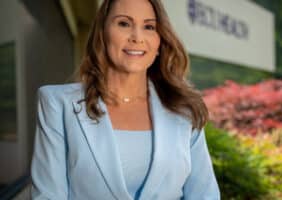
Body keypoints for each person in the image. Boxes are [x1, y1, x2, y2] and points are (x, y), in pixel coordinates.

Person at [30, 0, 220, 199]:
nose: (137, 37)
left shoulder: (184, 110)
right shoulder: (57, 103)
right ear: (102, 34)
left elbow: (204, 194)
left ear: (159, 41)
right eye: (124, 23)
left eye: (149, 26)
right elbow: (48, 195)